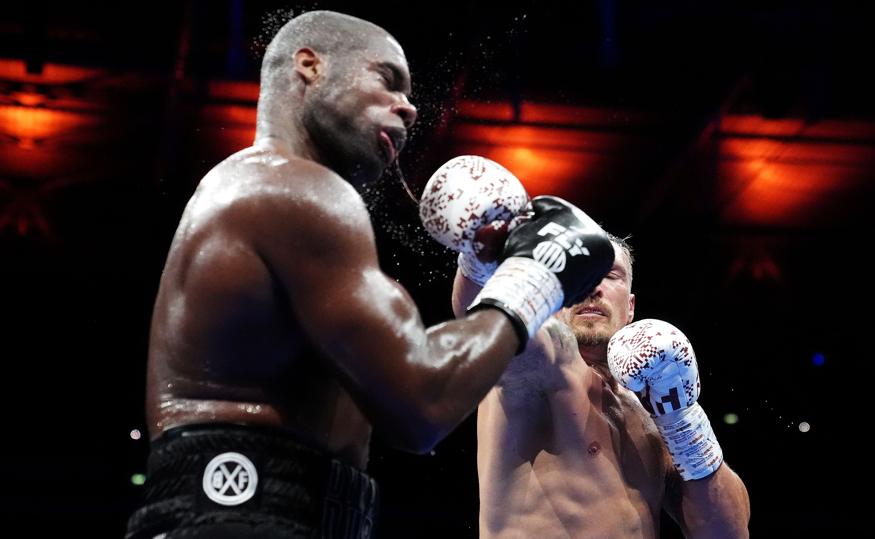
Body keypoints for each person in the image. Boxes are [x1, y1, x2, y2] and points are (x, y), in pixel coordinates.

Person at [125, 11, 614, 539]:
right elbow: (421, 403)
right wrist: (537, 276)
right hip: (237, 515)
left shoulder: (281, 200)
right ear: (309, 66)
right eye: (387, 80)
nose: (409, 105)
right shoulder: (288, 187)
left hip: (281, 515)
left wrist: (484, 264)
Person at [450, 234, 751, 538]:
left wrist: (681, 417)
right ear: (553, 301)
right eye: (577, 273)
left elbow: (727, 532)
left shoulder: (649, 412)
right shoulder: (538, 368)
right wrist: (479, 253)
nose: (593, 287)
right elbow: (485, 317)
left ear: (630, 306)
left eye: (610, 275)